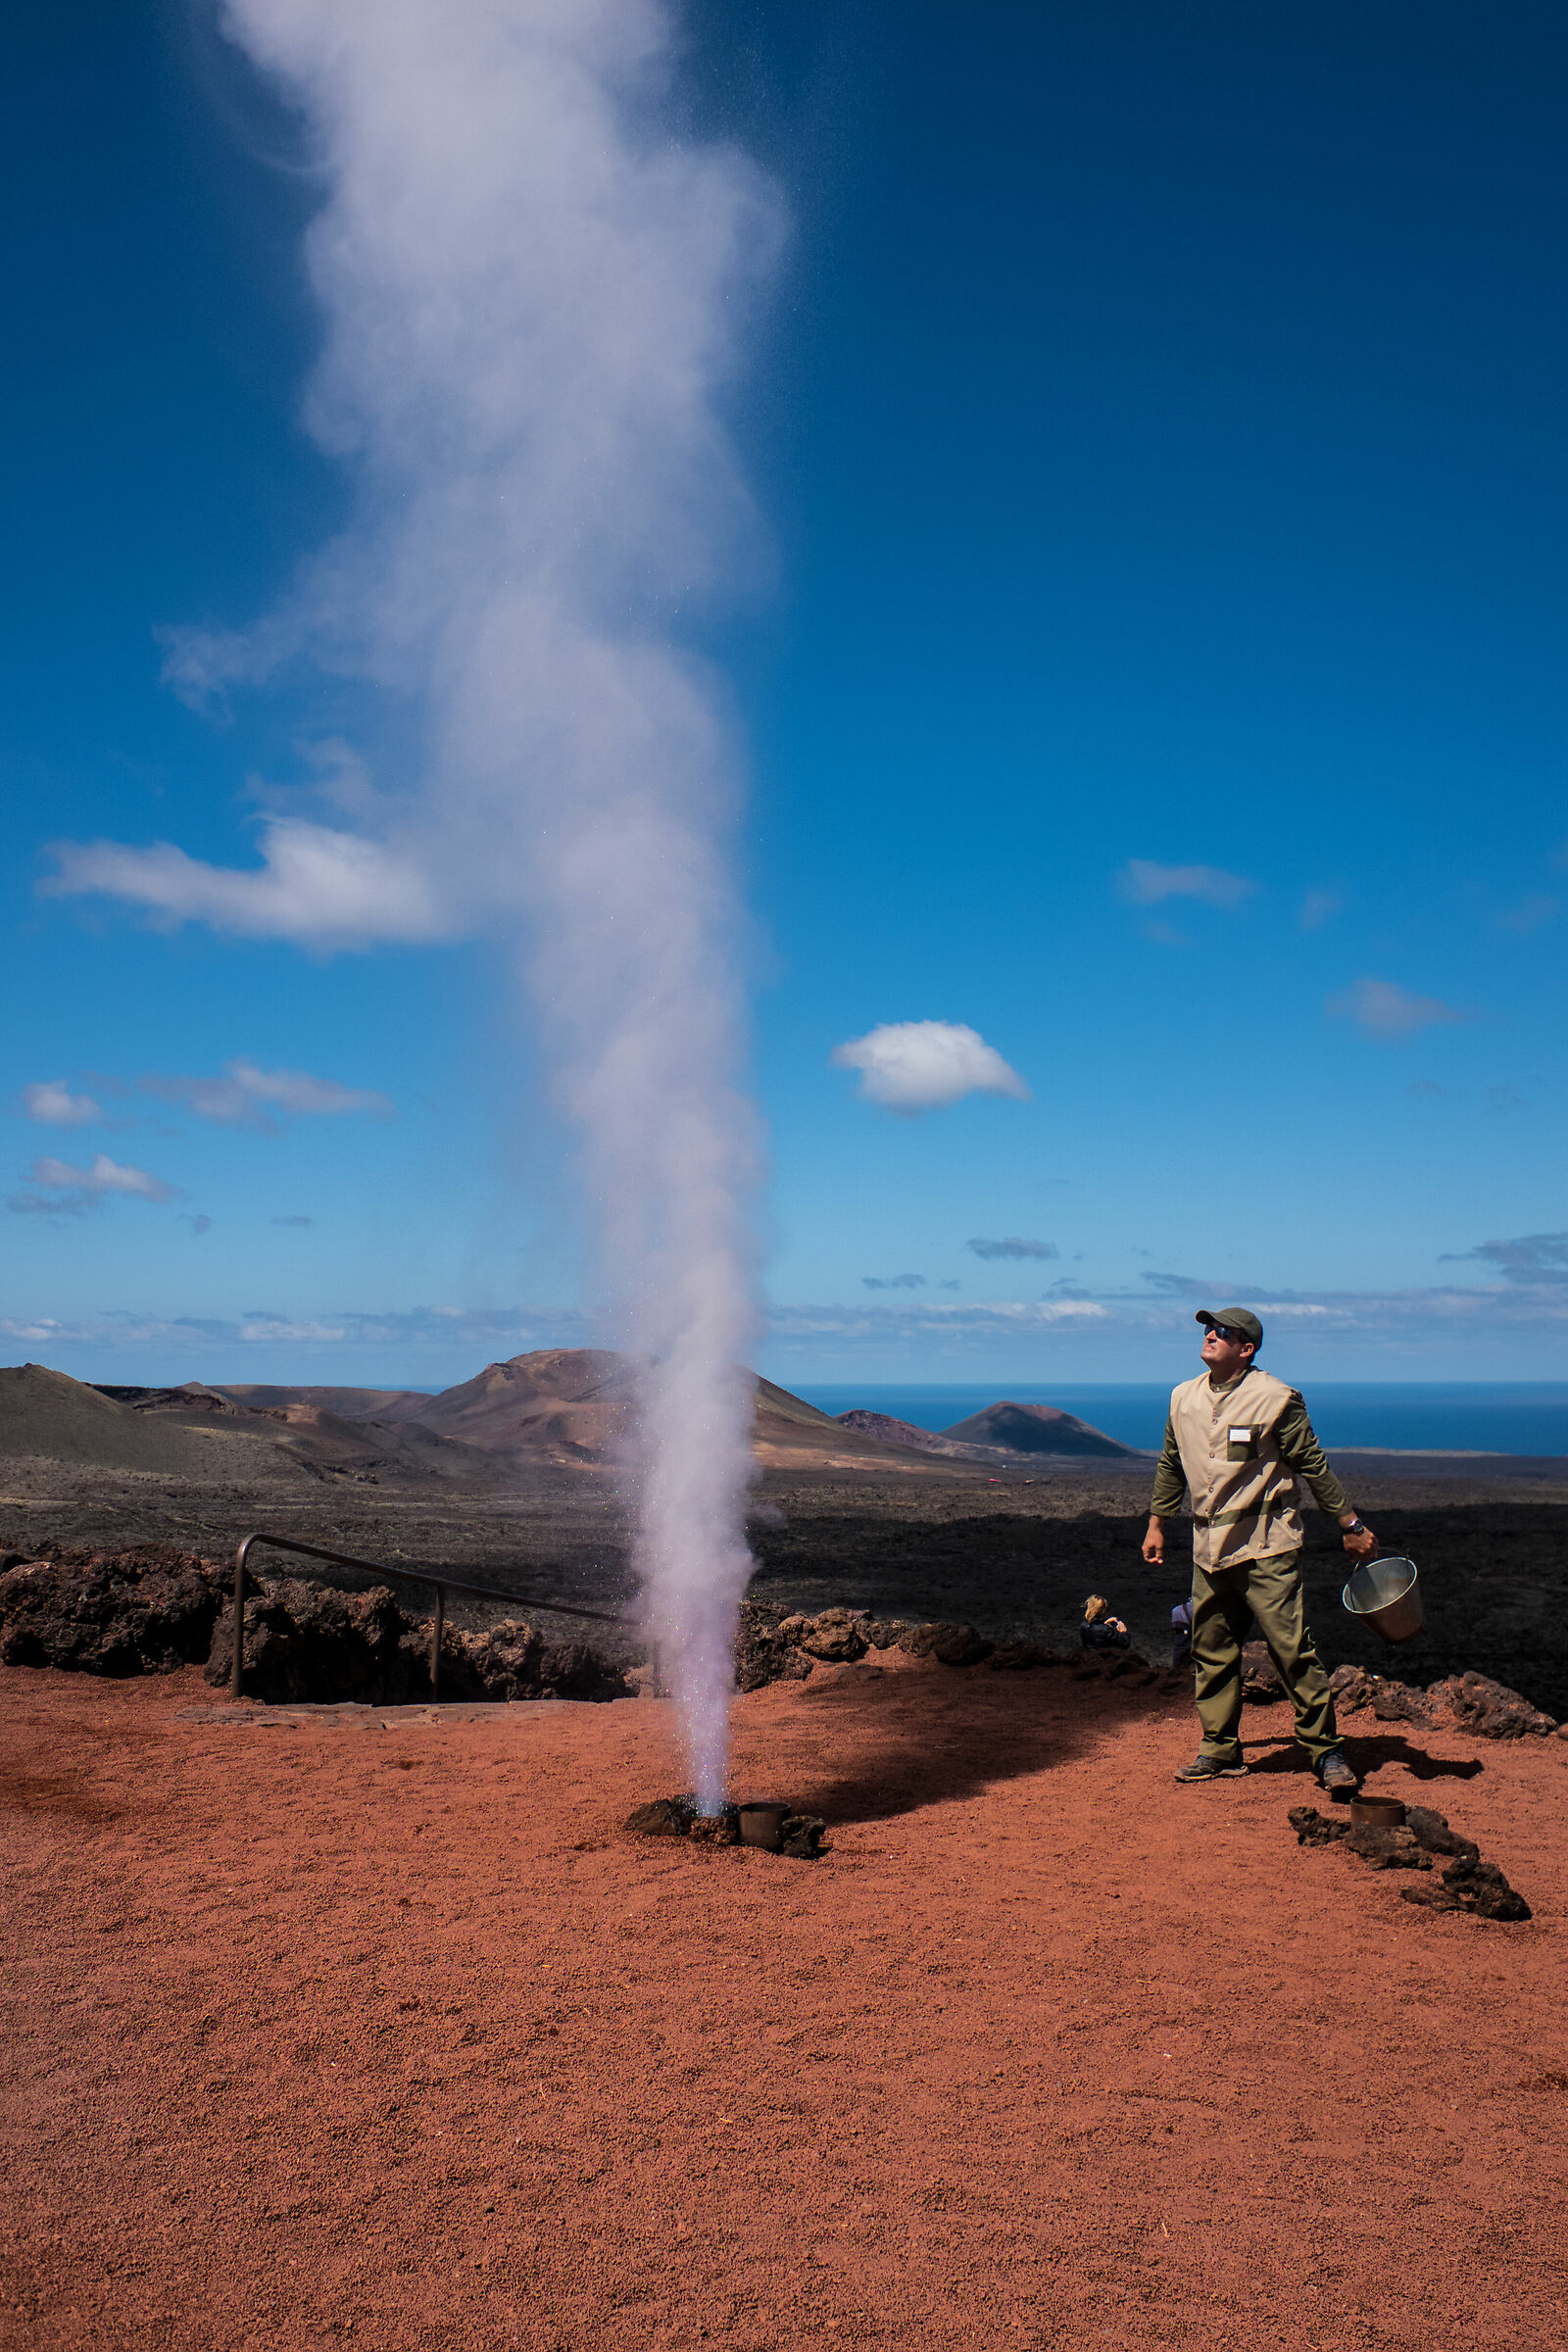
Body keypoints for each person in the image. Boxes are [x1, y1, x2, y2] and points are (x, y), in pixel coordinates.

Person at [1143, 1308, 1378, 1791]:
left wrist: (1349, 1522)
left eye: (1224, 1332)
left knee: (1290, 1650)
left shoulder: (1275, 1399)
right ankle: (1219, 1750)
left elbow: (1312, 1464)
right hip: (1208, 1550)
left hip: (1266, 1545)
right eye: (1208, 1329)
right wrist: (1156, 1525)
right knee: (1210, 1649)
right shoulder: (1182, 1397)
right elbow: (1171, 1463)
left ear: (1246, 1349)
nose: (1211, 1335)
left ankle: (1325, 1752)